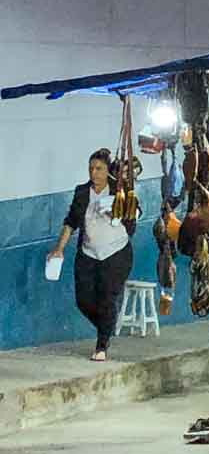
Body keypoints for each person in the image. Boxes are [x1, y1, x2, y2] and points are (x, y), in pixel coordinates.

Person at [47, 147, 138, 362]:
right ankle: (106, 326)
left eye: (99, 168)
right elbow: (71, 222)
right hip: (88, 253)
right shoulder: (81, 192)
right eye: (91, 168)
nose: (94, 173)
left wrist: (118, 212)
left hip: (116, 253)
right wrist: (59, 249)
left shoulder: (120, 190)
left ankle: (102, 344)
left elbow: (134, 216)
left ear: (108, 171)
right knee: (84, 300)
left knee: (107, 297)